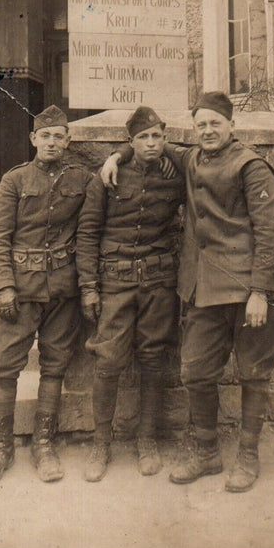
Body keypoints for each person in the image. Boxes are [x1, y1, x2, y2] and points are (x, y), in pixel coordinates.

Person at [102, 91, 274, 492]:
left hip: (249, 291)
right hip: (203, 290)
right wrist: (115, 156)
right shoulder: (190, 159)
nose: (207, 130)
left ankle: (248, 457)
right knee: (195, 371)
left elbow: (272, 234)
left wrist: (260, 291)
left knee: (253, 374)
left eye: (215, 123)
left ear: (231, 126)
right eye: (201, 124)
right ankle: (206, 453)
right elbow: (148, 142)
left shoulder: (251, 166)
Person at [0, 104, 92, 484]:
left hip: (62, 289)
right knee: (7, 364)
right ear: (33, 140)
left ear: (69, 140)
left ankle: (44, 445)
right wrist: (4, 286)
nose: (53, 142)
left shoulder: (82, 179)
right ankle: (0, 447)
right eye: (46, 136)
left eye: (60, 136)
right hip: (21, 290)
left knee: (55, 364)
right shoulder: (15, 180)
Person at [76, 106, 184, 482]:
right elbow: (88, 234)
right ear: (130, 141)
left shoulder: (175, 172)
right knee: (107, 362)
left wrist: (167, 154)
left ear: (165, 137)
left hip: (158, 281)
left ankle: (147, 440)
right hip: (115, 281)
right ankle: (100, 443)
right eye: (143, 138)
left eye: (157, 136)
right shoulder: (107, 177)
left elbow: (196, 157)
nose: (151, 143)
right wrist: (89, 287)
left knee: (153, 359)